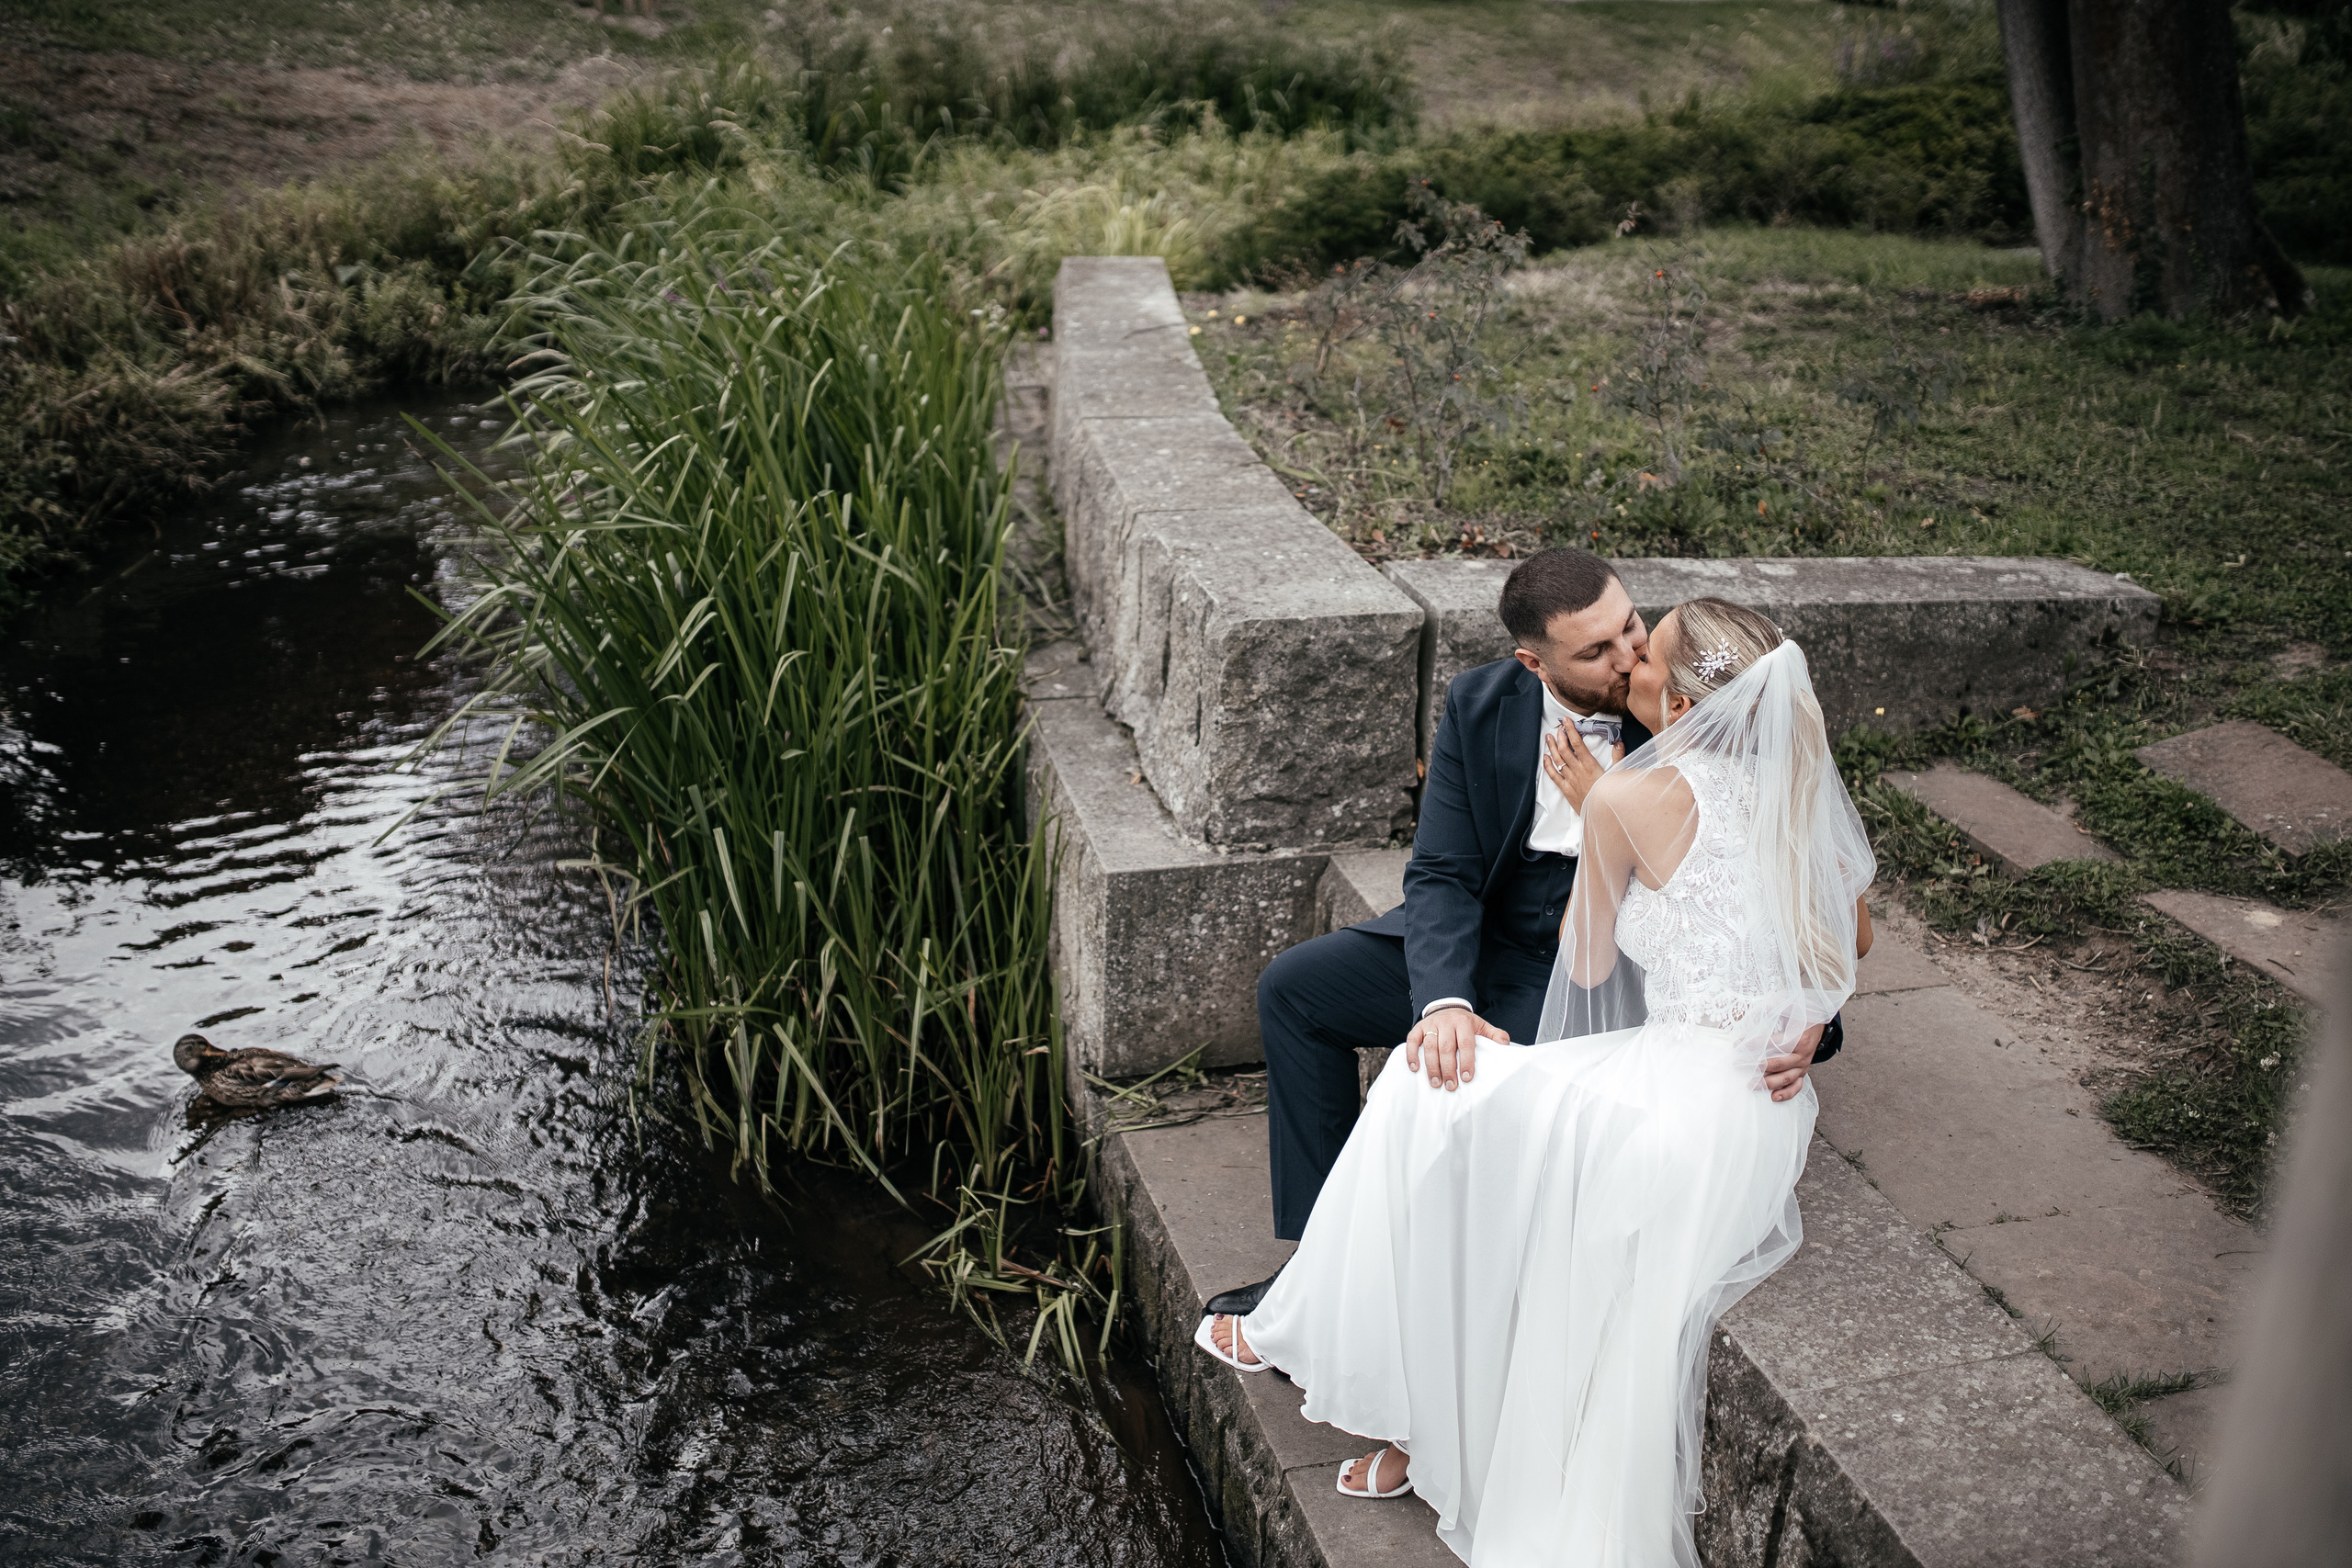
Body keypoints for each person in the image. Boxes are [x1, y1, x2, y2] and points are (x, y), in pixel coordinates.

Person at [1195, 596, 1876, 1566]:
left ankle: (1376, 1379)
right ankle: (1355, 1349)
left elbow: (1589, 969)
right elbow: (1845, 944)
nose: (1633, 657)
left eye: (1645, 653)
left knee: (1424, 1099)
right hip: (1753, 1118)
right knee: (1427, 1074)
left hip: (1667, 1092)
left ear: (1679, 709)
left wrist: (1610, 807)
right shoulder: (1803, 785)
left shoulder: (1630, 797)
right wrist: (1799, 1008)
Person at [1200, 551, 1841, 1325]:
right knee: (1295, 989)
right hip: (1490, 939)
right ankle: (1317, 1265)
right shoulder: (1480, 702)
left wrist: (1812, 1019)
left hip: (1597, 974)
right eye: (1596, 651)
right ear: (1534, 662)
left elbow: (1782, 879)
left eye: (1631, 625)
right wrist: (1443, 997)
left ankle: (1439, 1301)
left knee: (1472, 1098)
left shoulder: (1682, 703)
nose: (1629, 654)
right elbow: (1440, 871)